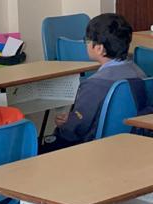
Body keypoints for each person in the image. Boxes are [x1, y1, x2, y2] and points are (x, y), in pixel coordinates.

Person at [47, 13, 145, 150]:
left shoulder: (94, 84)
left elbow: (78, 128)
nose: (86, 43)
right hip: (135, 143)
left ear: (99, 48)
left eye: (87, 40)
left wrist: (68, 123)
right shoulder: (140, 73)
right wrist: (74, 119)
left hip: (97, 149)